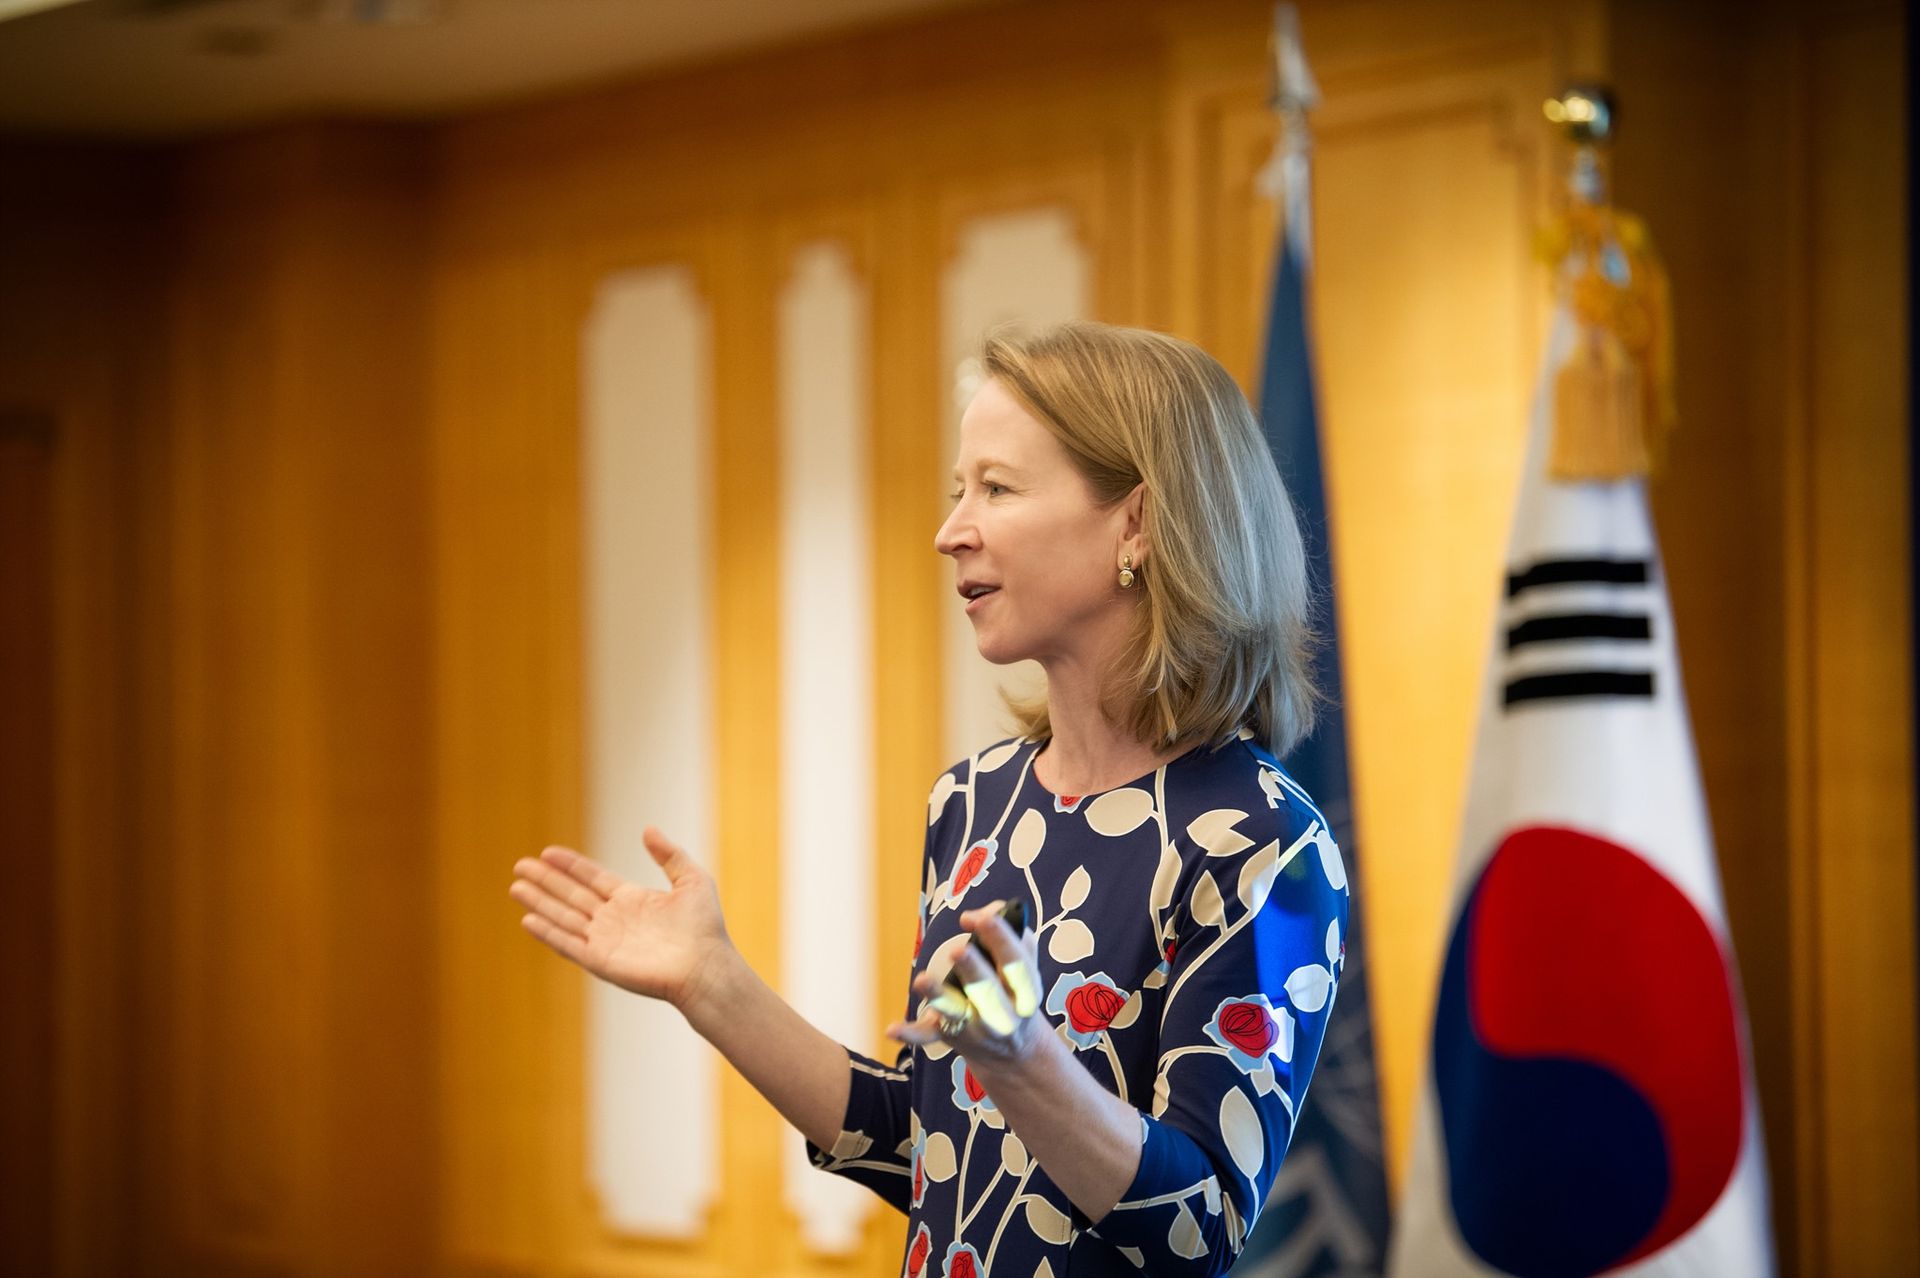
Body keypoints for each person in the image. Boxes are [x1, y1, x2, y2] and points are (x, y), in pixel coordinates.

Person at [509, 320, 1350, 1277]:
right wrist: (716, 987)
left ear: (1137, 523)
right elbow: (935, 1149)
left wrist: (1027, 1062)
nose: (951, 529)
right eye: (961, 491)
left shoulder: (1266, 841)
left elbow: (1199, 1225)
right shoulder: (974, 801)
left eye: (997, 487)